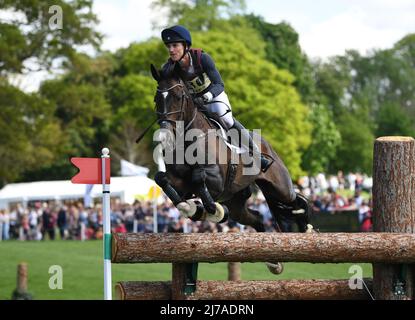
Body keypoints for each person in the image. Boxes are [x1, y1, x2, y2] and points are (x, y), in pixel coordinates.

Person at [160, 25, 271, 171]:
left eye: (175, 45)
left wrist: (206, 96)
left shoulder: (202, 59)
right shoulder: (170, 67)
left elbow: (219, 84)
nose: (171, 50)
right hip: (193, 104)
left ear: (185, 46)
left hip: (214, 97)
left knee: (226, 119)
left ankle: (256, 154)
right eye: (169, 46)